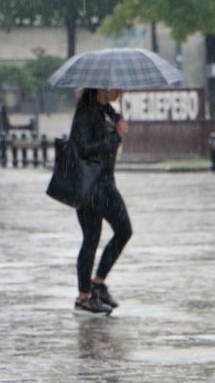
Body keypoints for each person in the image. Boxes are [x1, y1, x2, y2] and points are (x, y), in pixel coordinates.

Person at [70, 88, 132, 315]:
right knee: (91, 238)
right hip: (88, 185)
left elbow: (108, 147)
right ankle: (83, 297)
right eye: (116, 87)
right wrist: (115, 135)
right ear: (102, 88)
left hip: (106, 184)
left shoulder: (108, 112)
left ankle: (98, 282)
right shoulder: (86, 114)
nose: (121, 91)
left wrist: (117, 126)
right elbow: (84, 148)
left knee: (124, 230)